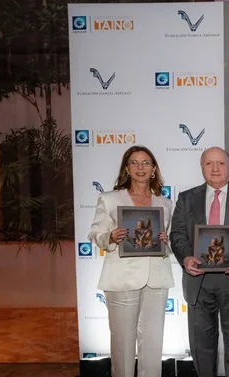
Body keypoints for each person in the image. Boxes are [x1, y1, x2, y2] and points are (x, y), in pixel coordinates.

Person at [88, 145, 174, 377]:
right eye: (134, 163)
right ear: (126, 168)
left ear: (154, 169)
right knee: (123, 345)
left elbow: (171, 242)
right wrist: (111, 237)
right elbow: (96, 235)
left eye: (146, 162)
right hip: (121, 280)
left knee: (153, 345)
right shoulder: (109, 199)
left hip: (156, 279)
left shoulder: (165, 204)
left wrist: (167, 240)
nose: (140, 167)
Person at [169, 147, 229, 377]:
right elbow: (177, 234)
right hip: (198, 282)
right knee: (201, 348)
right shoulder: (187, 198)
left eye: (221, 163)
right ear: (202, 167)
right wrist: (186, 257)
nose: (215, 169)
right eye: (209, 164)